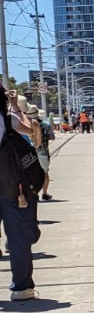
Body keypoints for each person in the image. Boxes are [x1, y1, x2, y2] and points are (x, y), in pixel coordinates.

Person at [1, 85, 41, 301]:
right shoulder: (9, 120)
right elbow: (30, 129)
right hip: (11, 188)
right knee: (17, 239)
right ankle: (21, 287)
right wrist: (15, 106)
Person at [29, 108, 53, 202]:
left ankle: (34, 194)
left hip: (29, 153)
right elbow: (52, 137)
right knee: (44, 173)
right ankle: (45, 193)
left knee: (30, 174)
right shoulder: (46, 124)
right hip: (42, 151)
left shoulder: (24, 124)